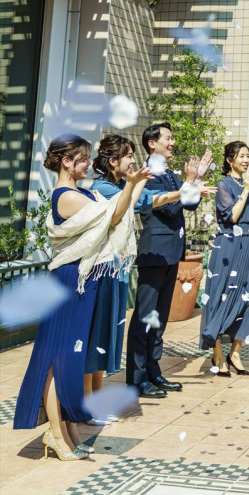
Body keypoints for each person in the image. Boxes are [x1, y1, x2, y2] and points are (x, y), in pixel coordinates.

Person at [13, 135, 148, 461]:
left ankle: (67, 432)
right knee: (56, 362)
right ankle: (57, 435)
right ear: (67, 162)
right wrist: (132, 184)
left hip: (80, 281)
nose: (89, 164)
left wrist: (134, 184)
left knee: (66, 361)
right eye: (83, 159)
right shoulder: (66, 197)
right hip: (67, 282)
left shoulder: (83, 193)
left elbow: (118, 212)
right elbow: (113, 216)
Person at [126, 122, 215, 399]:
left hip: (172, 252)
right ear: (152, 143)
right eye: (168, 137)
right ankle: (136, 379)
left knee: (159, 319)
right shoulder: (148, 173)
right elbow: (171, 207)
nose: (173, 142)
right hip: (154, 253)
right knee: (144, 317)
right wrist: (190, 183)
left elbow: (188, 204)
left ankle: (153, 371)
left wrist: (196, 179)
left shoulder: (168, 173)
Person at [85, 134, 156, 422]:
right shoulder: (103, 187)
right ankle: (87, 405)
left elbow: (142, 201)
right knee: (96, 339)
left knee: (105, 338)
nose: (132, 161)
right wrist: (136, 181)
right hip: (102, 272)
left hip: (115, 269)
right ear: (113, 161)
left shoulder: (116, 185)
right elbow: (120, 213)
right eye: (127, 156)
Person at [200, 141, 249, 375]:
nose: (246, 160)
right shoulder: (223, 184)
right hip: (228, 246)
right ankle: (217, 353)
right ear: (229, 160)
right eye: (241, 156)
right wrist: (244, 190)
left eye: (248, 156)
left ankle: (236, 352)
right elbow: (232, 216)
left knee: (248, 297)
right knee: (221, 296)